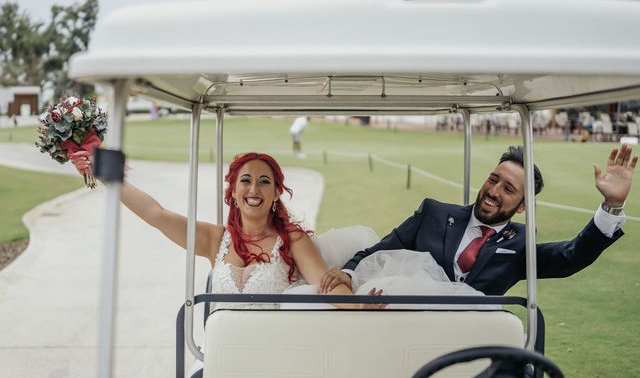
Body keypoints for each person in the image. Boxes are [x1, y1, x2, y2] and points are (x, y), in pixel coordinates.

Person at [320, 144, 637, 296]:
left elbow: (570, 256)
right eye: (493, 178)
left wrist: (611, 204)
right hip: (405, 328)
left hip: (470, 345)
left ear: (523, 206)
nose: (493, 191)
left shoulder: (520, 242)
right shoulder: (433, 213)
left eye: (508, 188)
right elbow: (380, 250)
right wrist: (348, 274)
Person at [70, 150, 372, 308]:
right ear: (234, 191)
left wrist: (359, 305)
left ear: (277, 192)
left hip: (275, 351)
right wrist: (106, 175)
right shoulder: (214, 239)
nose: (254, 189)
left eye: (264, 181)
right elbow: (156, 214)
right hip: (225, 353)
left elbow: (326, 287)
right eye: (246, 180)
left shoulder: (292, 240)